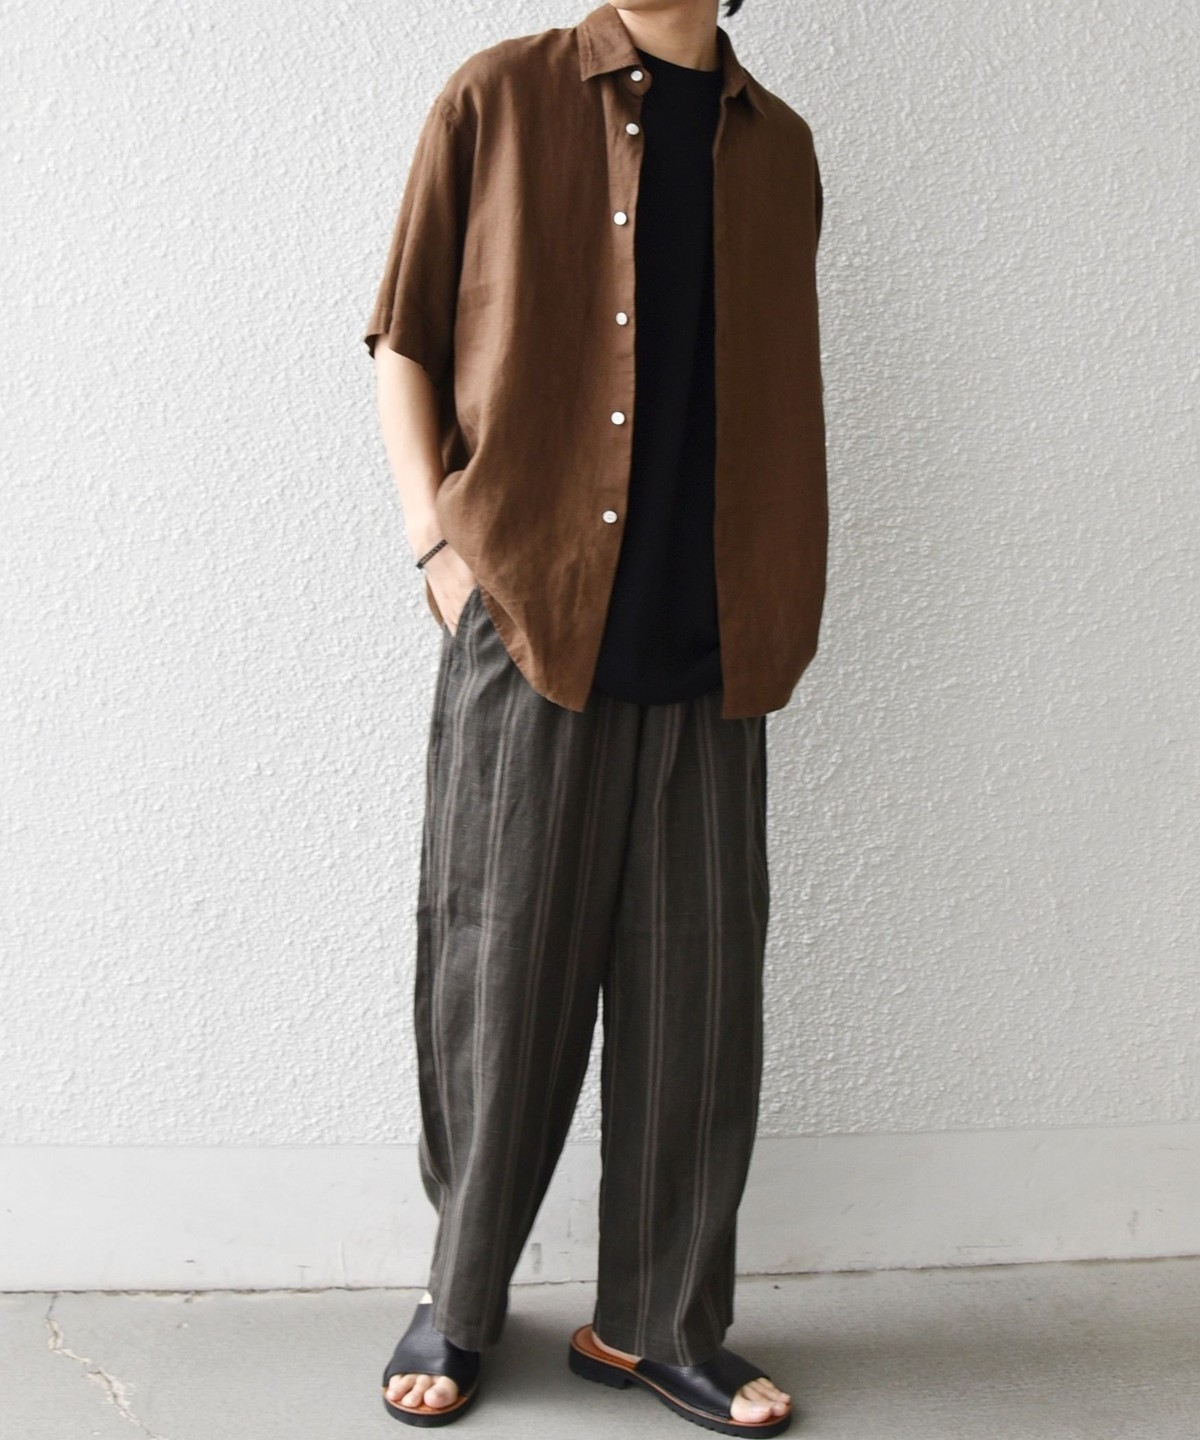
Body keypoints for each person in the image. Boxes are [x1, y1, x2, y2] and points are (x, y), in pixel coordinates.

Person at [363, 0, 826, 1432]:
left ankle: (657, 1324)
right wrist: (436, 548)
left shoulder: (781, 151)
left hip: (718, 640)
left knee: (700, 1007)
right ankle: (460, 1299)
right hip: (533, 621)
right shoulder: (497, 100)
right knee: (499, 982)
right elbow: (404, 336)